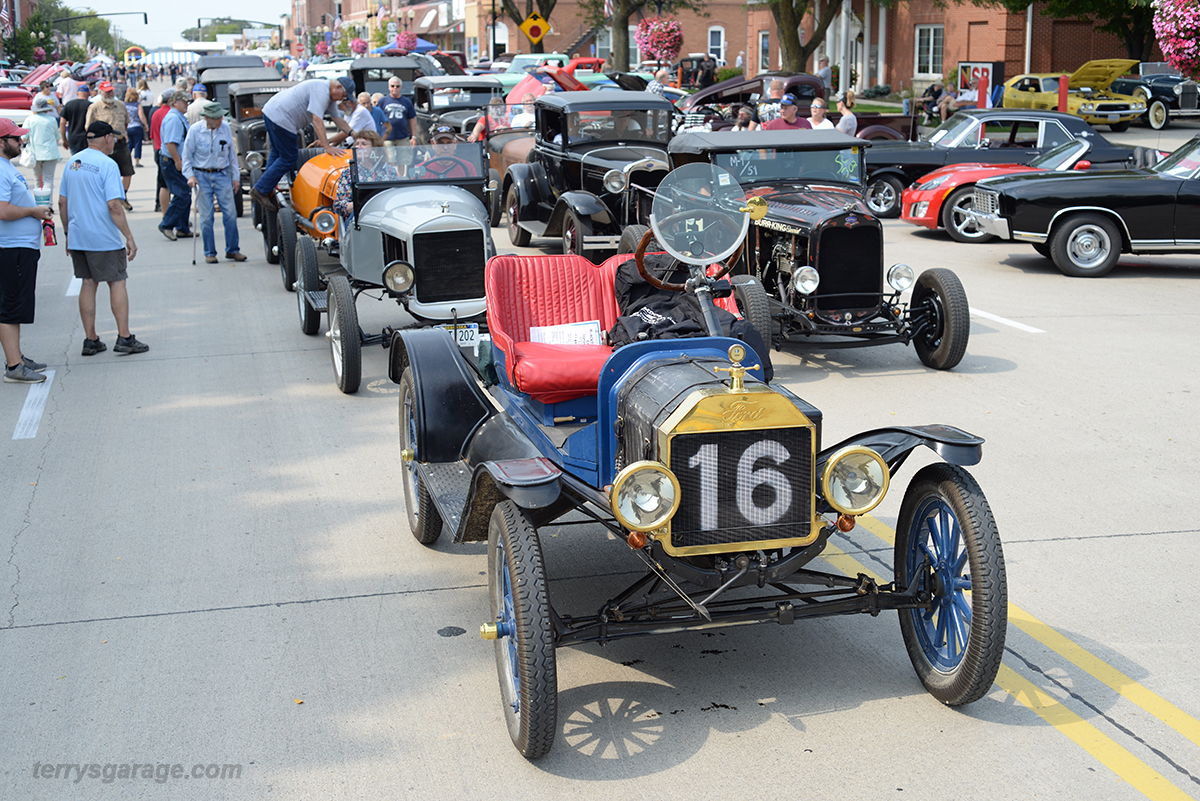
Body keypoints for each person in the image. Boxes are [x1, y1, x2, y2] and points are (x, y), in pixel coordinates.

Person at [58, 121, 146, 357]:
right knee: (117, 281)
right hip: (103, 237)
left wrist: (67, 233)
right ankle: (124, 337)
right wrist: (129, 236)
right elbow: (114, 205)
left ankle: (91, 339)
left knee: (88, 283)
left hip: (78, 235)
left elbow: (62, 203)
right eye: (113, 138)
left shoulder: (72, 163)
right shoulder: (108, 165)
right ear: (107, 138)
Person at [250, 77, 353, 212]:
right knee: (290, 157)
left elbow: (338, 120)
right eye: (343, 96)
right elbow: (317, 120)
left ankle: (266, 189)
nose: (342, 100)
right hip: (282, 117)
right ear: (338, 87)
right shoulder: (321, 90)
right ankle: (261, 189)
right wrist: (327, 147)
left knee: (277, 153)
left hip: (272, 112)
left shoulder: (329, 98)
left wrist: (354, 133)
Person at [0, 118, 52, 384]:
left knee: (15, 305)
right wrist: (33, 211)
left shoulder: (6, 167)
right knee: (9, 306)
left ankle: (16, 357)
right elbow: (2, 210)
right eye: (15, 138)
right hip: (11, 249)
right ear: (1, 142)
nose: (20, 142)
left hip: (18, 247)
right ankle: (14, 367)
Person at [183, 101, 245, 264]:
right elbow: (187, 157)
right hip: (201, 175)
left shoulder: (225, 128)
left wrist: (236, 177)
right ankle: (209, 252)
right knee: (206, 216)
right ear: (208, 119)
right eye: (217, 118)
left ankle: (233, 250)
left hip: (222, 173)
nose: (220, 120)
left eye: (221, 117)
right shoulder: (195, 130)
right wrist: (190, 176)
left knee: (230, 214)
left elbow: (232, 155)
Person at [85, 81, 135, 209]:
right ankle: (106, 198)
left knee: (127, 171)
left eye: (111, 91)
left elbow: (126, 122)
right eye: (107, 91)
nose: (110, 93)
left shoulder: (120, 105)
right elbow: (88, 127)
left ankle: (122, 196)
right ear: (101, 92)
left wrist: (123, 134)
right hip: (103, 146)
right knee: (106, 173)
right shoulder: (95, 107)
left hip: (120, 142)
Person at [333, 130, 398, 217]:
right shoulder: (350, 172)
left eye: (364, 144)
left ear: (375, 148)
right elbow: (338, 206)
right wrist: (363, 203)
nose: (358, 147)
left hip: (386, 216)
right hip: (360, 220)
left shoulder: (389, 170)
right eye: (357, 144)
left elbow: (396, 197)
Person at [158, 92, 193, 240]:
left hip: (175, 160)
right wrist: (178, 161)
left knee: (185, 193)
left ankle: (182, 228)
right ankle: (166, 224)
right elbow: (170, 143)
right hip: (172, 161)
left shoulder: (177, 117)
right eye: (184, 102)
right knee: (182, 194)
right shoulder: (173, 119)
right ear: (175, 103)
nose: (187, 104)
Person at [22, 96, 62, 198]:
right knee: (48, 179)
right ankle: (48, 204)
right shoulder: (52, 120)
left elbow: (24, 137)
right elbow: (58, 137)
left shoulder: (30, 120)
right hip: (50, 153)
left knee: (38, 179)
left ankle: (39, 203)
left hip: (35, 153)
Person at [377, 78, 416, 162]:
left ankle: (401, 175)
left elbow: (412, 119)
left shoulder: (407, 101)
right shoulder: (383, 101)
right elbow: (377, 117)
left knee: (403, 161)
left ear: (401, 87)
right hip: (387, 136)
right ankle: (392, 175)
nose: (395, 88)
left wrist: (414, 137)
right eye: (392, 86)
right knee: (390, 160)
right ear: (388, 87)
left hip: (402, 136)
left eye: (397, 86)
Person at [150, 89, 172, 214]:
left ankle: (159, 204)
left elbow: (153, 135)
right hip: (168, 151)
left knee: (161, 181)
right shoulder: (171, 113)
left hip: (158, 149)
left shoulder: (156, 113)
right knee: (170, 183)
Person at [60, 85, 91, 155]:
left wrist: (64, 139)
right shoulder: (91, 106)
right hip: (87, 139)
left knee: (76, 163)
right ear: (88, 94)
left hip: (73, 139)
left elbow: (62, 123)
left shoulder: (69, 104)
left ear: (77, 93)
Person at [124, 87, 147, 168]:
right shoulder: (138, 105)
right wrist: (145, 125)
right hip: (137, 126)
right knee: (138, 144)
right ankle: (137, 161)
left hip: (127, 127)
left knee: (129, 145)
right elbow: (141, 116)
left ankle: (126, 160)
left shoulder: (124, 105)